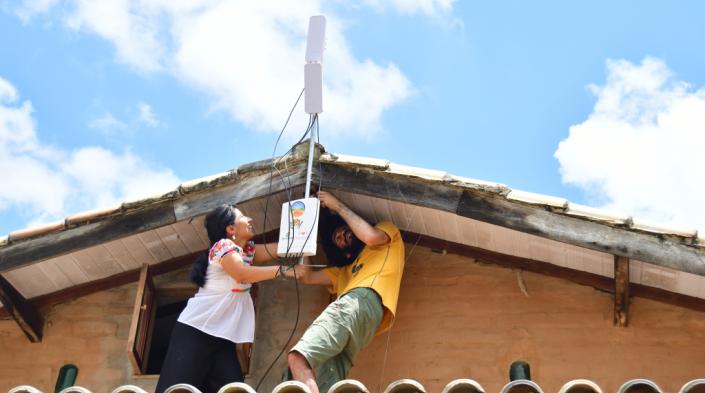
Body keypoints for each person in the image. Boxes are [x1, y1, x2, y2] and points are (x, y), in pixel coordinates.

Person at [156, 204, 293, 393]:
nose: (250, 220)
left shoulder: (247, 252)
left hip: (223, 339)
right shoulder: (223, 246)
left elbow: (283, 248)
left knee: (233, 389)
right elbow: (242, 274)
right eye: (244, 217)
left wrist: (305, 219)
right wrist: (284, 270)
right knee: (176, 390)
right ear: (231, 229)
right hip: (195, 332)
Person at [287, 191, 406, 393]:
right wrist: (302, 238)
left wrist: (338, 206)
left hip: (362, 301)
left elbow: (369, 236)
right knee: (329, 384)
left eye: (342, 231)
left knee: (297, 358)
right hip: (364, 321)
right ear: (343, 252)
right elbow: (307, 277)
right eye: (338, 239)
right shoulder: (344, 272)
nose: (342, 236)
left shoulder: (386, 232)